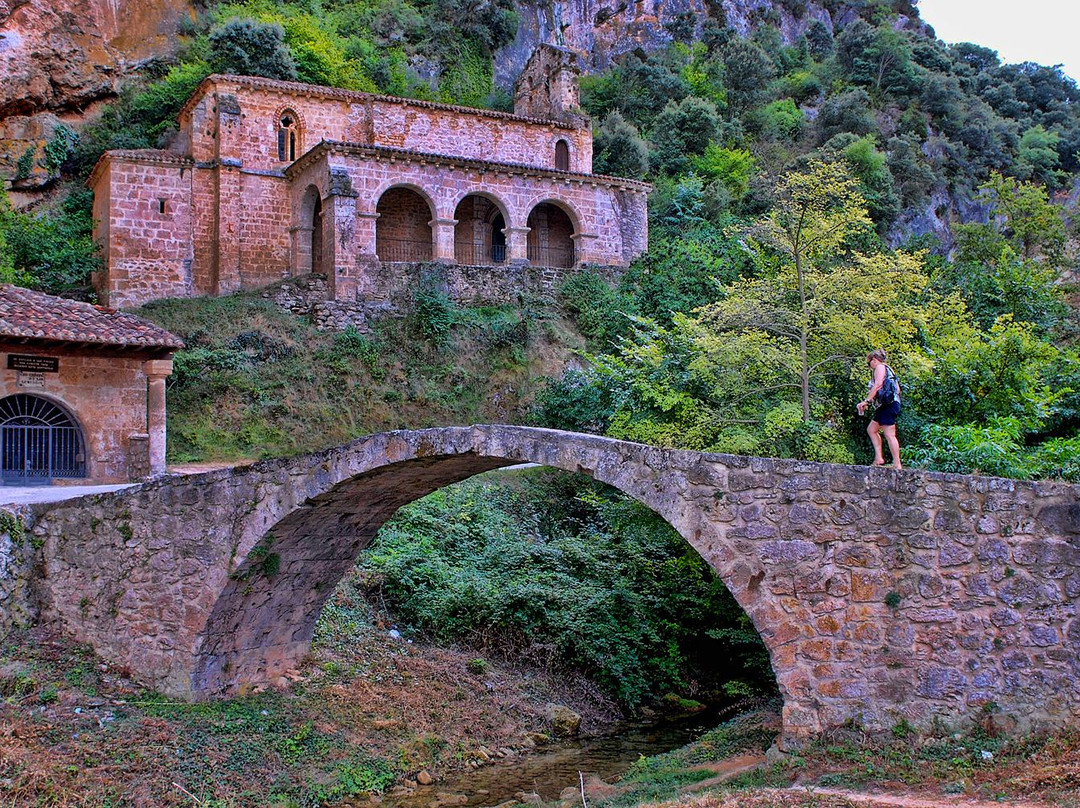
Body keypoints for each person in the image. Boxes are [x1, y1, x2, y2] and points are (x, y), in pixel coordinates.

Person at [856, 349, 902, 469]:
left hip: (888, 405)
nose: (869, 366)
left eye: (869, 362)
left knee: (890, 434)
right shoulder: (890, 370)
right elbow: (898, 390)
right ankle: (879, 458)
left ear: (874, 360)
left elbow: (878, 385)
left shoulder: (880, 368)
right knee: (872, 429)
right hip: (888, 404)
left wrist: (867, 401)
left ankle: (897, 464)